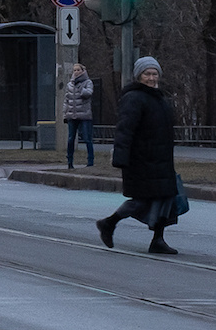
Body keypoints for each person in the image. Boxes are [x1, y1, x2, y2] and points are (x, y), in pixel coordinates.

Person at [97, 57, 181, 255]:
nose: (151, 78)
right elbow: (125, 129)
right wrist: (120, 157)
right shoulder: (134, 98)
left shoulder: (158, 97)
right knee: (142, 200)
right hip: (141, 160)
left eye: (154, 74)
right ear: (139, 76)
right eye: (147, 74)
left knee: (166, 198)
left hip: (161, 159)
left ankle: (158, 240)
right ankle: (109, 223)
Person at [62, 62, 96, 168]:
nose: (76, 72)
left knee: (87, 138)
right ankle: (70, 161)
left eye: (78, 70)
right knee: (71, 138)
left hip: (85, 115)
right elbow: (66, 100)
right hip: (72, 115)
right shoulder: (69, 84)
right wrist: (65, 114)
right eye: (74, 70)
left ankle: (90, 162)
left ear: (83, 71)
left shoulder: (88, 82)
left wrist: (80, 87)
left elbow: (88, 94)